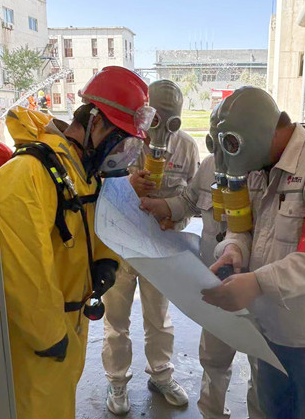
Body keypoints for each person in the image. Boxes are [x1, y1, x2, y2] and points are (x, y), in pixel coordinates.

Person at [0, 66, 155, 419]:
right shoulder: (29, 173)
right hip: (37, 337)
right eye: (121, 140)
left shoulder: (82, 172)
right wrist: (48, 335)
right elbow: (20, 264)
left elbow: (93, 222)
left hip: (71, 320)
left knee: (61, 403)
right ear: (95, 121)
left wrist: (106, 260)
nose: (123, 153)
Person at [201, 86, 305, 419]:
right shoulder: (258, 167)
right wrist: (235, 248)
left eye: (232, 145)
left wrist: (257, 283)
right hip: (273, 334)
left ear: (260, 132)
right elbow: (243, 227)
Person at [140, 105, 264, 419]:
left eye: (231, 144)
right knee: (213, 360)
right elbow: (189, 201)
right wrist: (160, 206)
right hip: (216, 285)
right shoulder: (209, 166)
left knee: (262, 368)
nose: (222, 154)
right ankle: (212, 413)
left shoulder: (270, 175)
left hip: (258, 289)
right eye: (216, 142)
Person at [101, 80, 199, 415]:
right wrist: (127, 185)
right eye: (155, 121)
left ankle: (161, 374)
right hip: (121, 247)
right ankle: (117, 380)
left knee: (158, 317)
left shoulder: (186, 148)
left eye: (171, 123)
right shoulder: (122, 142)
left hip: (159, 248)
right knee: (116, 319)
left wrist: (175, 217)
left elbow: (193, 198)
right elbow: (97, 192)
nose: (162, 131)